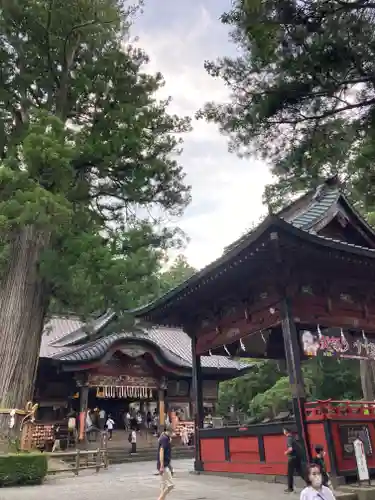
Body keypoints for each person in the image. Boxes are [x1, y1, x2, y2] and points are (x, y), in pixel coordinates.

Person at [284, 427, 304, 493]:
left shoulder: (289, 439)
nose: (283, 431)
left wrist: (286, 452)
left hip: (292, 458)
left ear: (286, 431)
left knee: (289, 473)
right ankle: (310, 483)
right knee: (300, 472)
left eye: (284, 430)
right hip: (297, 457)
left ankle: (290, 488)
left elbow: (290, 449)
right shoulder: (293, 437)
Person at [157, 426, 174, 500]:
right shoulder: (165, 439)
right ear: (169, 432)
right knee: (171, 485)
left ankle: (161, 498)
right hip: (164, 465)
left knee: (163, 486)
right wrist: (162, 465)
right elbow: (161, 451)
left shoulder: (164, 437)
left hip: (165, 464)